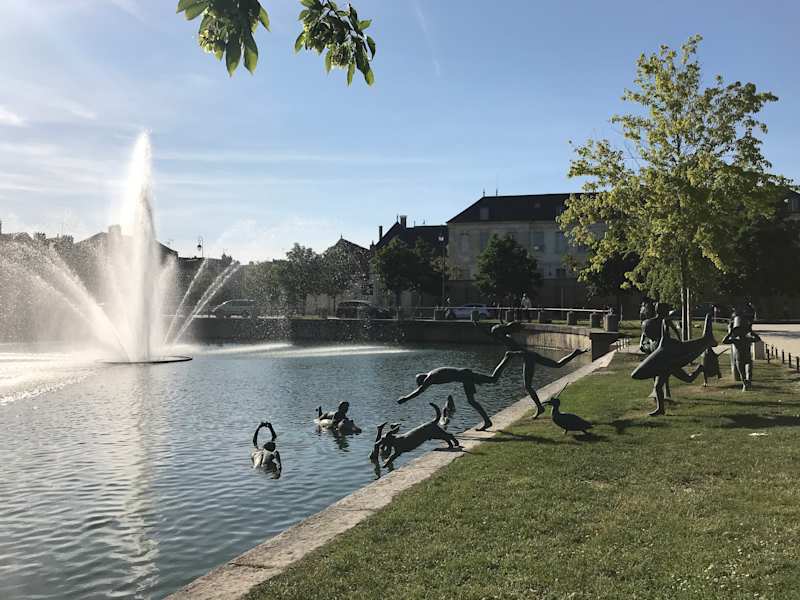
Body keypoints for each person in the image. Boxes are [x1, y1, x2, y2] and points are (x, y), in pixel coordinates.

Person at [474, 317, 587, 418]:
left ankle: (540, 408)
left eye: (496, 333)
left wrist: (512, 354)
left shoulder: (507, 339)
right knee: (557, 365)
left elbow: (519, 351)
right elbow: (490, 334)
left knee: (528, 386)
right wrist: (478, 325)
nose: (495, 336)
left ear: (500, 332)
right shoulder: (505, 337)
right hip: (530, 355)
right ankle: (575, 353)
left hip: (528, 357)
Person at [397, 351, 518, 431]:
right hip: (464, 376)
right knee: (481, 391)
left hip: (465, 376)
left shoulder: (430, 377)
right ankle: (487, 421)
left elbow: (420, 391)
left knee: (491, 381)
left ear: (423, 379)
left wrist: (405, 398)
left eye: (423, 383)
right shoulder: (432, 373)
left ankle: (507, 357)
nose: (427, 385)